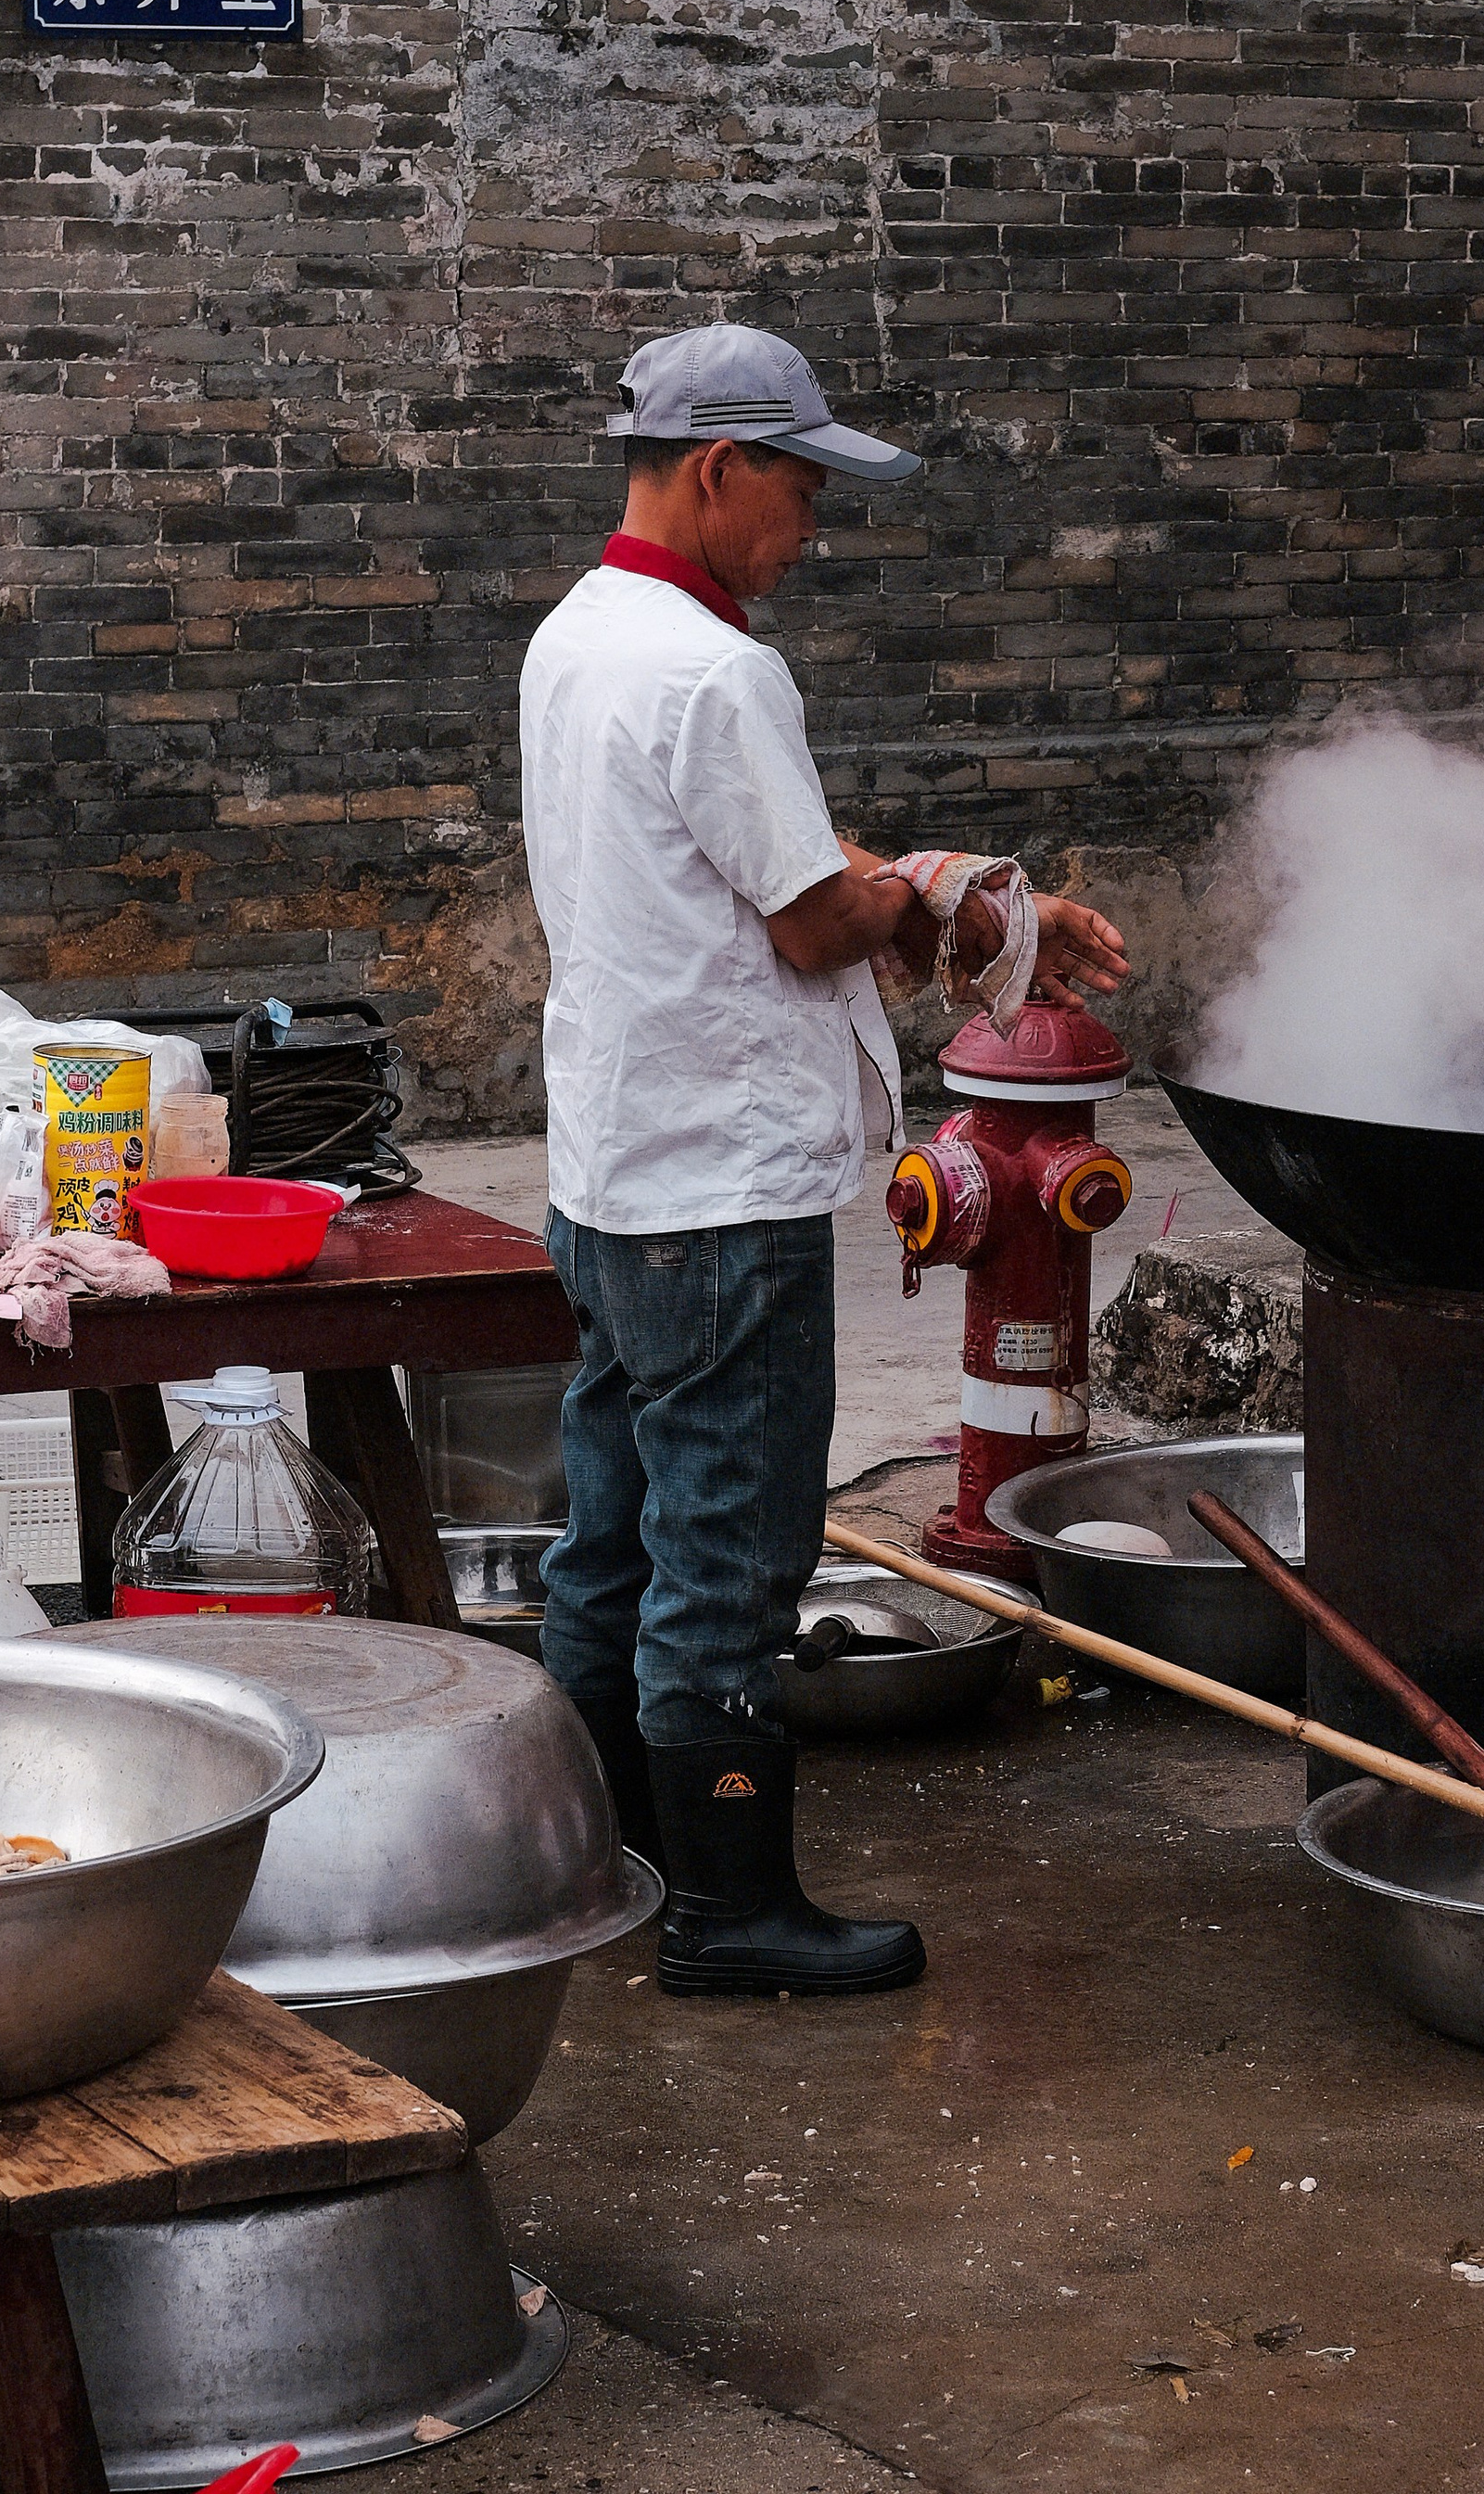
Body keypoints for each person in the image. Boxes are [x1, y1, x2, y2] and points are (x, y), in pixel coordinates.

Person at [518, 322, 1128, 2001]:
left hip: (612, 1171)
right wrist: (950, 897)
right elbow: (808, 916)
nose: (811, 527)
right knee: (728, 1554)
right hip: (725, 1192)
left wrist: (948, 887)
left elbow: (774, 854)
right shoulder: (720, 673)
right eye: (800, 489)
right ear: (719, 468)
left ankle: (608, 1863)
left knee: (613, 1533)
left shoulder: (579, 635)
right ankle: (728, 1911)